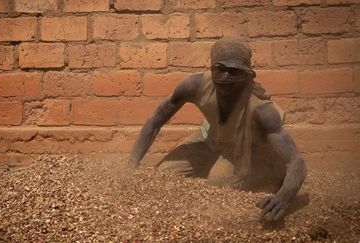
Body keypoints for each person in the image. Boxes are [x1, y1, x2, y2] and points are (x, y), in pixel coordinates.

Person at [128, 37, 307, 221]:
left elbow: (296, 162)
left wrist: (283, 198)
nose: (225, 77)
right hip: (211, 138)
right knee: (165, 174)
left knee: (218, 185)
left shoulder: (262, 110)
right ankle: (215, 164)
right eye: (219, 69)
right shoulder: (195, 85)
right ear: (211, 68)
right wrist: (132, 163)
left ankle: (268, 176)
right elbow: (155, 121)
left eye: (234, 71)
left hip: (247, 149)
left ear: (248, 76)